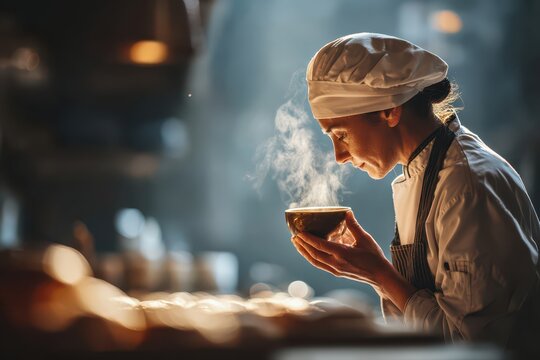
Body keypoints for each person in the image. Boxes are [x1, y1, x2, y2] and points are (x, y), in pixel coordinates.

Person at [291, 32, 540, 352]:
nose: (339, 157)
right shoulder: (424, 173)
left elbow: (473, 347)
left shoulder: (465, 186)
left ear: (390, 111)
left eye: (340, 134)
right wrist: (373, 271)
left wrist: (381, 275)